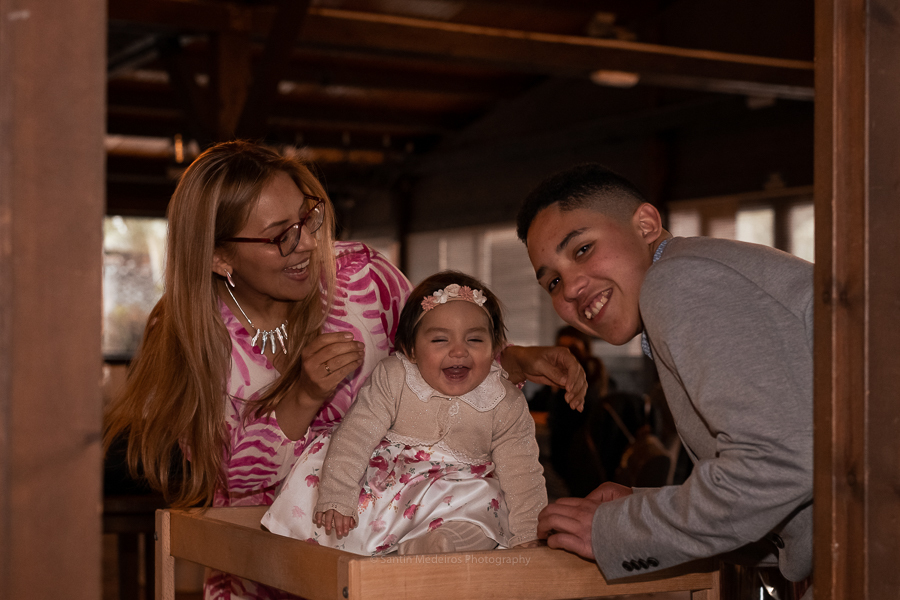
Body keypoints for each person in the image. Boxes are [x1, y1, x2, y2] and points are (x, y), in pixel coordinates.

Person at [103, 141, 587, 600]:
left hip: (392, 547)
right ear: (218, 255)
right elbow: (227, 477)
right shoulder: (187, 333)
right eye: (279, 235)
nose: (307, 244)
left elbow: (436, 349)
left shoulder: (362, 278)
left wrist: (513, 358)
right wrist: (303, 397)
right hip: (263, 563)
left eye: (307, 218)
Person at [517, 163, 813, 593]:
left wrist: (618, 530)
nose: (572, 289)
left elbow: (778, 466)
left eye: (582, 249)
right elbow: (790, 481)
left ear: (646, 224)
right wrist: (646, 506)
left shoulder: (677, 280)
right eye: (554, 282)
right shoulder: (702, 269)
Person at [262, 271, 555, 554]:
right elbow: (356, 435)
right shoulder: (396, 376)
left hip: (460, 495)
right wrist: (339, 495)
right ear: (410, 350)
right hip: (392, 491)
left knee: (489, 503)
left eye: (475, 340)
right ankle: (393, 546)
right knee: (340, 483)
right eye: (440, 340)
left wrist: (529, 535)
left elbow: (522, 473)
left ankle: (442, 545)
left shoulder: (505, 401)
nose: (458, 351)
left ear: (495, 349)